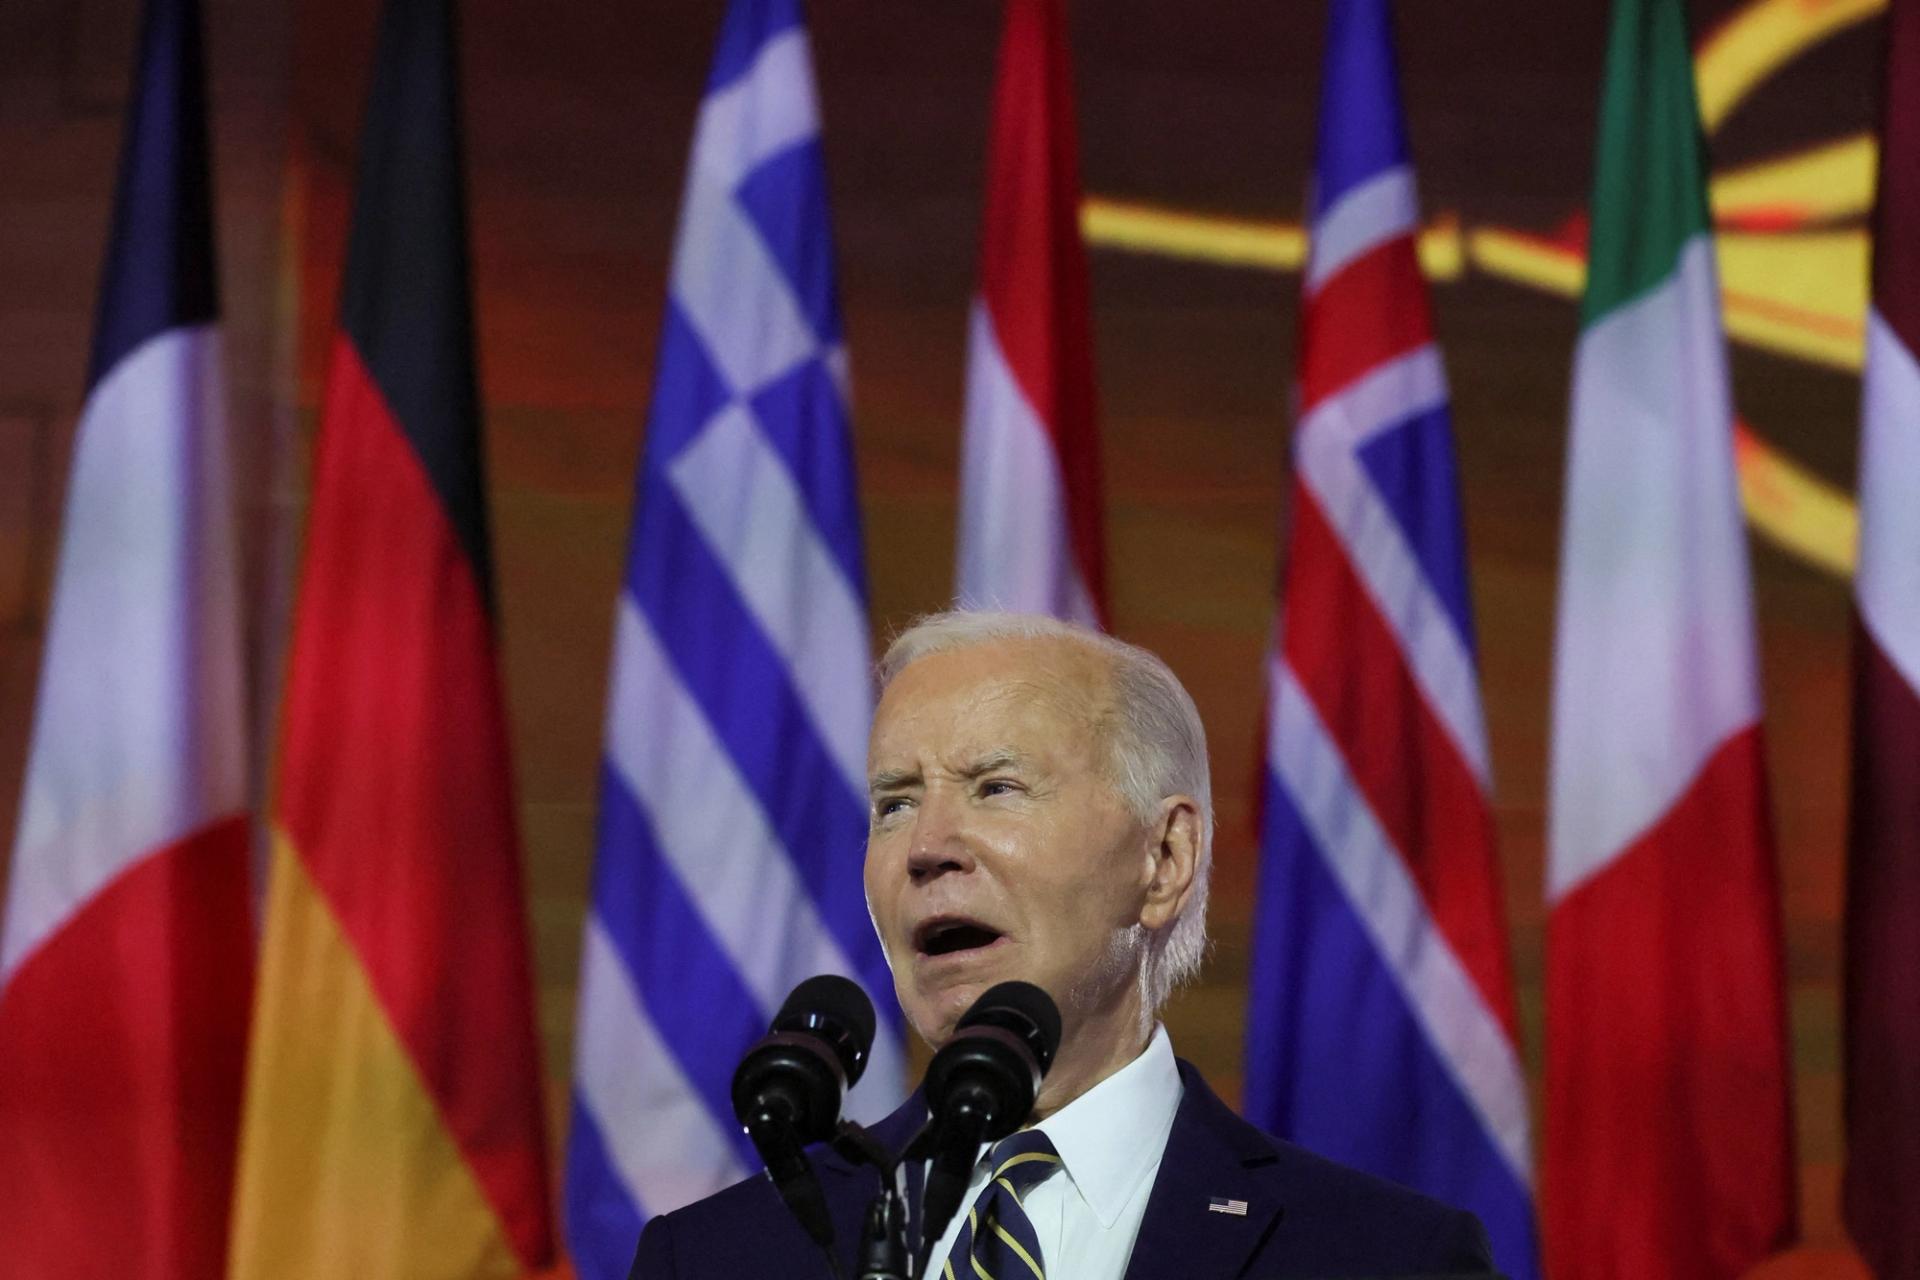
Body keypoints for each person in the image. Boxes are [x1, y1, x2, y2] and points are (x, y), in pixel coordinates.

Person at [631, 611, 1496, 1279]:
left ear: (1163, 860)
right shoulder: (719, 1258)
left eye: (996, 787)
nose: (926, 846)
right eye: (894, 801)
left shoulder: (1381, 1258)